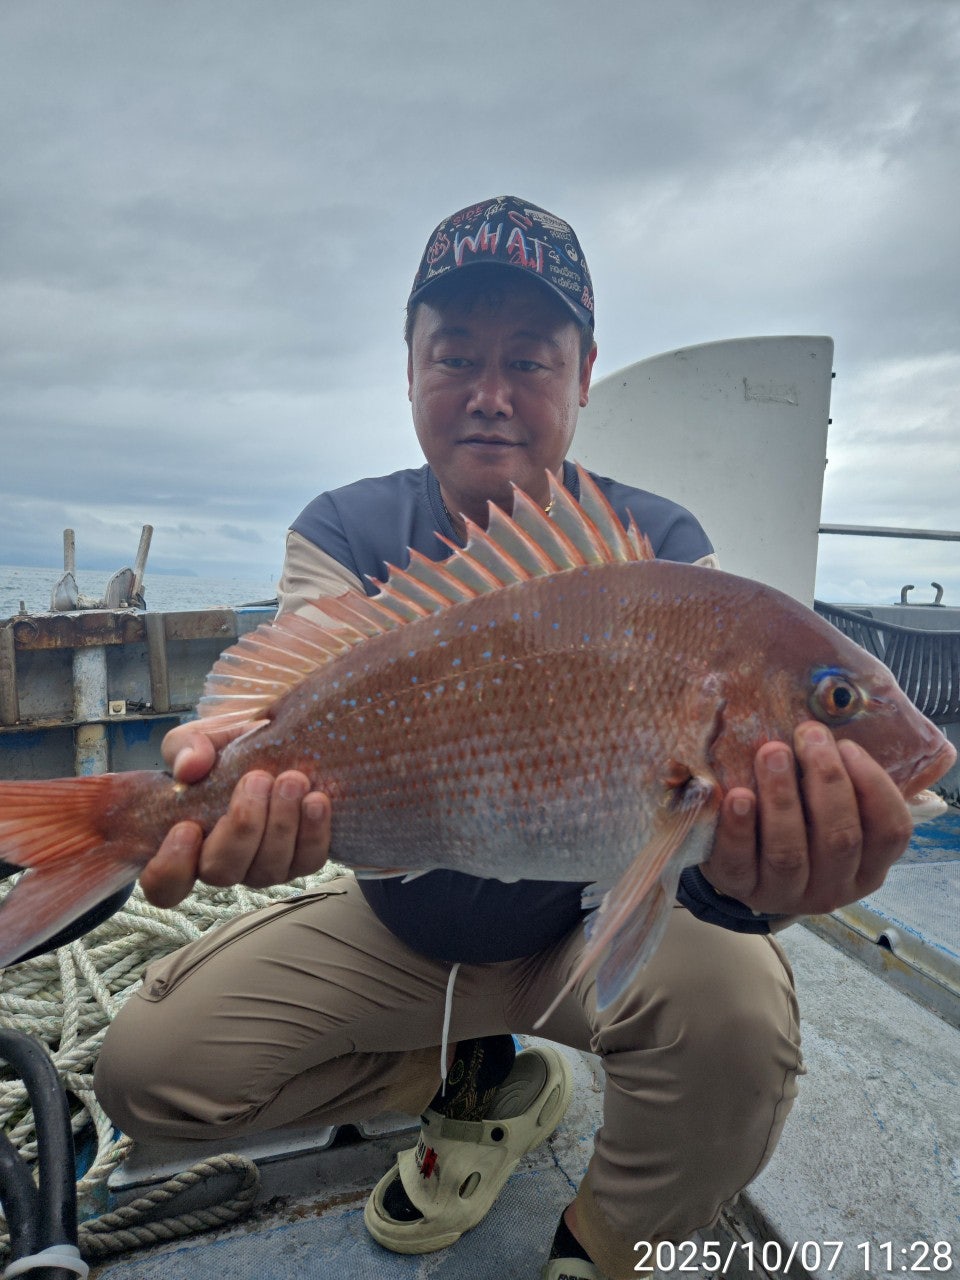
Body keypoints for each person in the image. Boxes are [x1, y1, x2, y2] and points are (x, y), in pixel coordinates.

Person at [94, 197, 912, 1280]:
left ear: (582, 374)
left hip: (579, 937)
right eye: (456, 355)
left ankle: (605, 1240)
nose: (490, 393)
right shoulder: (344, 529)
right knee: (149, 1072)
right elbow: (261, 713)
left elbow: (706, 868)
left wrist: (755, 881)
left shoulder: (665, 549)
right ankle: (467, 1076)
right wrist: (218, 785)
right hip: (398, 925)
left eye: (529, 358)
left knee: (738, 1015)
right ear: (409, 368)